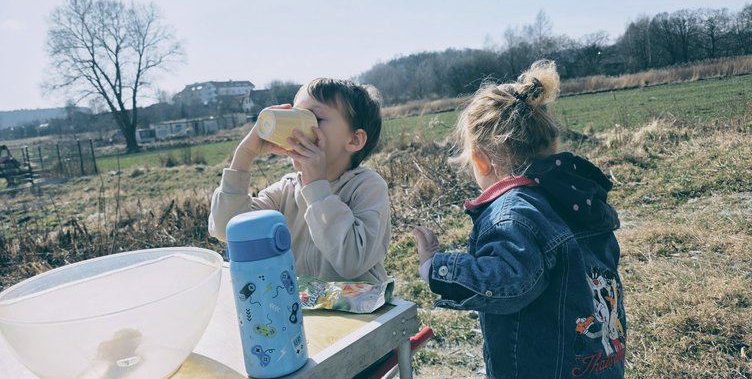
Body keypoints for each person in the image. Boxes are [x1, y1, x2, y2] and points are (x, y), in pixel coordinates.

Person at [411, 60, 627, 378]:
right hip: (598, 361)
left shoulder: (512, 213)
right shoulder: (576, 198)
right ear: (552, 145)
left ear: (481, 161)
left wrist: (435, 267)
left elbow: (510, 282)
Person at [209, 78, 390, 285]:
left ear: (354, 140)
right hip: (302, 304)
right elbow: (228, 230)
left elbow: (352, 262)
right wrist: (245, 154)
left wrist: (316, 187)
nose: (295, 129)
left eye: (313, 117)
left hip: (362, 304)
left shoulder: (368, 187)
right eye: (295, 114)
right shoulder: (286, 190)